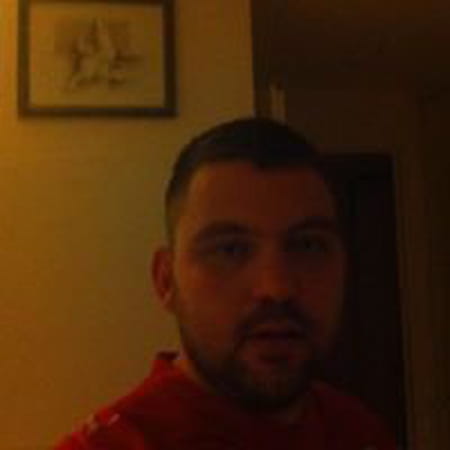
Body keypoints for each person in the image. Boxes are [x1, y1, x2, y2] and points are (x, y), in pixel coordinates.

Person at [55, 118, 397, 449]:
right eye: (230, 249)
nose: (276, 287)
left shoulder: (360, 431)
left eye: (307, 245)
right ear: (166, 281)